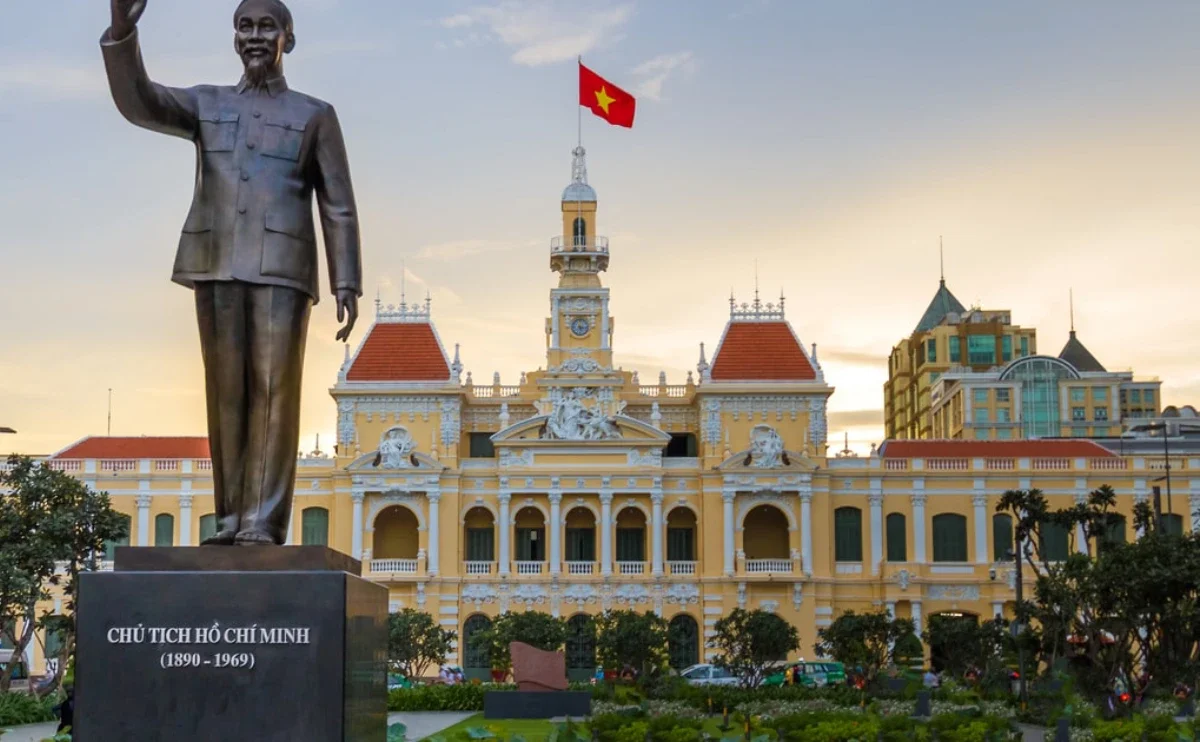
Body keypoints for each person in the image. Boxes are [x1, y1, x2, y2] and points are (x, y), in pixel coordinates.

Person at [101, 0, 363, 546]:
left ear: (289, 37)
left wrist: (346, 280)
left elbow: (337, 203)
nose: (255, 36)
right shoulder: (205, 104)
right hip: (215, 263)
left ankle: (263, 522)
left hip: (283, 270)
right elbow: (139, 101)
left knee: (274, 391)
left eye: (267, 26)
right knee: (225, 395)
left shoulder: (315, 113)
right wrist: (123, 31)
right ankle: (229, 520)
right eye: (245, 26)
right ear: (234, 39)